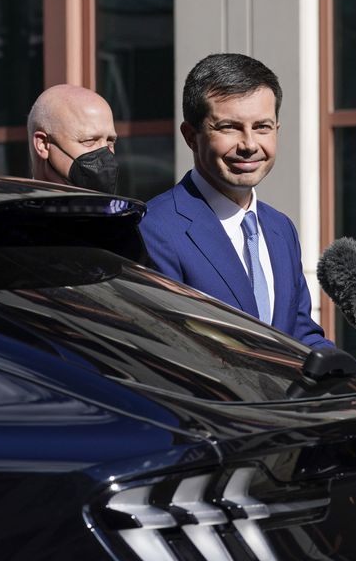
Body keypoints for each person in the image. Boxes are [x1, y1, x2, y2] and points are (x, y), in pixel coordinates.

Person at [139, 53, 330, 348]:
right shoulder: (156, 230)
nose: (250, 145)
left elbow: (302, 338)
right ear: (191, 136)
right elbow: (169, 350)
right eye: (229, 127)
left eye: (262, 127)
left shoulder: (280, 229)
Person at [27, 84, 119, 193]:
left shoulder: (123, 208)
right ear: (43, 144)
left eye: (110, 141)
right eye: (89, 141)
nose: (106, 153)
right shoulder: (11, 208)